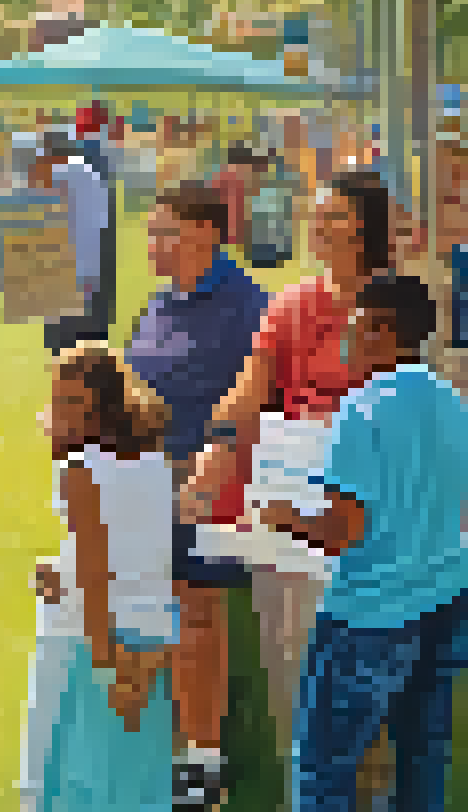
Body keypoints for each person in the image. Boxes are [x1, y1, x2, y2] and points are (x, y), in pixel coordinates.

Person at [185, 170, 391, 770]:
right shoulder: (292, 305)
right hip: (292, 496)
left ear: (363, 229)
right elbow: (249, 388)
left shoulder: (396, 303)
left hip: (368, 508)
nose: (316, 224)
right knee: (295, 670)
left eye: (332, 216)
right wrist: (211, 461)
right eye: (317, 214)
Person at [258, 274, 468, 811]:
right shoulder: (452, 402)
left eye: (353, 323)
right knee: (423, 758)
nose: (346, 335)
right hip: (445, 604)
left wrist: (281, 516)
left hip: (367, 618)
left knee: (325, 770)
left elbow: (345, 531)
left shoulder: (359, 411)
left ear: (381, 328)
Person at [122, 182, 272, 810]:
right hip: (141, 482)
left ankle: (203, 763)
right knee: (146, 615)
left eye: (167, 232)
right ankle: (161, 749)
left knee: (198, 616)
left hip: (207, 486)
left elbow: (261, 401)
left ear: (209, 232)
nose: (154, 245)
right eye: (152, 233)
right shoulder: (156, 304)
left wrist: (207, 462)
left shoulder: (248, 306)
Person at [23, 344, 178, 812]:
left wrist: (108, 665)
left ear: (101, 406)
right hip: (150, 636)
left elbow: (96, 574)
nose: (57, 414)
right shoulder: (156, 464)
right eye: (56, 400)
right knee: (138, 781)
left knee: (77, 781)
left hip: (93, 643)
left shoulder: (78, 469)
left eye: (71, 402)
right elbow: (135, 554)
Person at [37, 135, 114, 354]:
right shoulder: (87, 173)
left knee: (66, 353)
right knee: (91, 350)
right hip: (92, 274)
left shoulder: (65, 174)